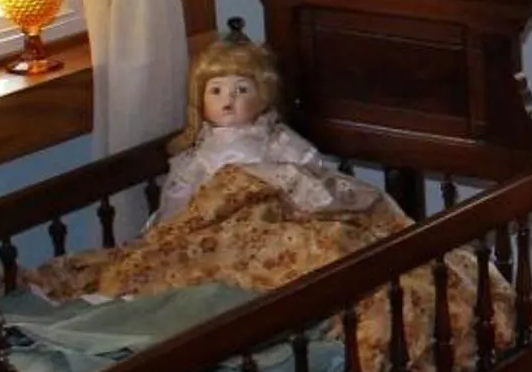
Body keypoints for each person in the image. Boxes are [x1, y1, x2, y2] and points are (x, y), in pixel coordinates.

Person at [155, 25, 386, 223]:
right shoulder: (199, 153)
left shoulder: (275, 140)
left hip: (270, 221)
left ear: (262, 97)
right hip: (218, 226)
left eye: (242, 90)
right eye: (216, 90)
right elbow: (178, 201)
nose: (228, 99)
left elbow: (308, 172)